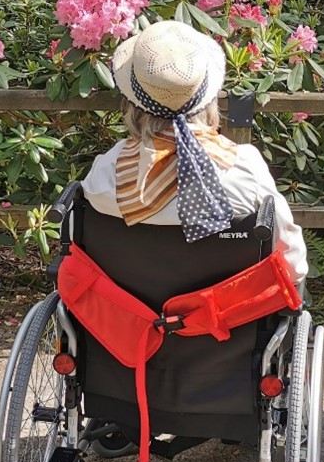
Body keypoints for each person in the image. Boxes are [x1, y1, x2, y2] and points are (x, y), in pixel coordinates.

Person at [80, 19, 308, 288]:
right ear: (207, 99)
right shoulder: (245, 169)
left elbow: (85, 262)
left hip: (122, 325)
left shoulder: (105, 173)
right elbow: (293, 266)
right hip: (229, 324)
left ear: (133, 104)